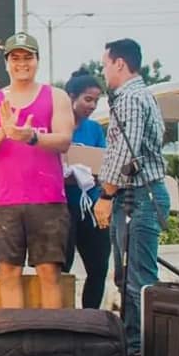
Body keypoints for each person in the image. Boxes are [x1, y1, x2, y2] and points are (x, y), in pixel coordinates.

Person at [0, 32, 74, 309]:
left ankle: (52, 332)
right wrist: (3, 132)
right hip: (4, 201)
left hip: (47, 200)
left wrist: (31, 137)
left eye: (28, 57)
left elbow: (64, 140)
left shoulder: (56, 96)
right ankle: (15, 333)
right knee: (8, 273)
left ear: (37, 60)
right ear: (6, 63)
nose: (22, 64)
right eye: (15, 58)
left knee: (49, 273)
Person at [93, 38, 169, 356]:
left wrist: (106, 195)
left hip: (138, 197)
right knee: (128, 279)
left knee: (139, 281)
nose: (104, 71)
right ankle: (134, 349)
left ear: (120, 63)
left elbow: (127, 154)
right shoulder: (142, 96)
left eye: (105, 64)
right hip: (137, 197)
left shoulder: (130, 99)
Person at [62, 69, 111, 310]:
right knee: (62, 265)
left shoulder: (94, 129)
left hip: (90, 205)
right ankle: (61, 317)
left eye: (96, 101)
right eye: (87, 99)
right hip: (62, 205)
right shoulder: (57, 126)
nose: (91, 106)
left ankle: (90, 316)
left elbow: (103, 164)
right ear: (71, 97)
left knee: (99, 266)